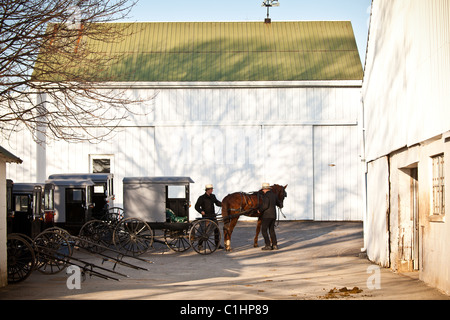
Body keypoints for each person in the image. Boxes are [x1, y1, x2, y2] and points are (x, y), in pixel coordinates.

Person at [195, 184, 223, 249]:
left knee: (216, 230)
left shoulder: (213, 196)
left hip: (213, 216)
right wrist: (201, 211)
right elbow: (196, 206)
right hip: (206, 217)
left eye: (212, 189)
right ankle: (200, 244)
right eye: (211, 189)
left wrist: (223, 204)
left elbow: (217, 202)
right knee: (203, 231)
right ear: (207, 190)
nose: (212, 190)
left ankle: (217, 244)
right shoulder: (201, 198)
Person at [258, 183, 281, 250]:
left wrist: (260, 210)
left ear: (265, 189)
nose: (262, 190)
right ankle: (274, 245)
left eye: (263, 189)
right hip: (273, 215)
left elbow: (265, 206)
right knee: (272, 230)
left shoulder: (266, 196)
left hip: (266, 216)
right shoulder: (274, 195)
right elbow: (279, 203)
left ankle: (268, 245)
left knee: (264, 230)